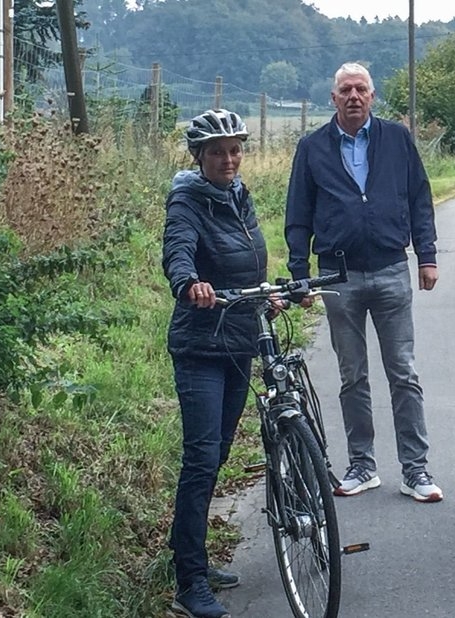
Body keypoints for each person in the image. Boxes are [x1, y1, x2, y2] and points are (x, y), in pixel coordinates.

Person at [284, 62, 443, 503]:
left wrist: (426, 256)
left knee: (404, 374)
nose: (354, 96)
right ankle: (362, 465)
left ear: (372, 97)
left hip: (392, 269)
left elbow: (419, 198)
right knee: (352, 377)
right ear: (332, 98)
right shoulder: (312, 147)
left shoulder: (396, 139)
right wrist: (300, 276)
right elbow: (297, 216)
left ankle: (416, 471)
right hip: (339, 277)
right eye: (345, 90)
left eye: (361, 90)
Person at [162, 108, 270, 618]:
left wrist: (270, 295)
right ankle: (189, 582)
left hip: (239, 338)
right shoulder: (187, 198)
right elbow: (177, 250)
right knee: (202, 459)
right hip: (200, 345)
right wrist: (189, 283)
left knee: (219, 453)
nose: (229, 159)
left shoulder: (239, 195)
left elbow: (246, 260)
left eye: (234, 150)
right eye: (217, 152)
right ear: (199, 157)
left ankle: (186, 552)